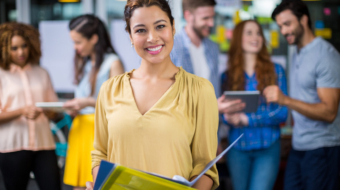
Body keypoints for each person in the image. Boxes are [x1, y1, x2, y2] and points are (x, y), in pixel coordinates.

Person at [86, 0, 219, 190]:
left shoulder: (199, 90)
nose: (152, 38)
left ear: (173, 27)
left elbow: (205, 166)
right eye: (140, 30)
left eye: (160, 26)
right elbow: (100, 153)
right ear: (130, 36)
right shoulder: (109, 89)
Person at [266, 1, 340, 190]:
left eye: (287, 24)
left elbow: (329, 112)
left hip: (322, 147)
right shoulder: (297, 52)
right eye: (280, 26)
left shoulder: (326, 55)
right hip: (299, 146)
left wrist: (285, 100)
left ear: (304, 20)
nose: (283, 31)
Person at [221, 20, 288, 190]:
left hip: (268, 148)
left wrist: (247, 119)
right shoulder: (227, 76)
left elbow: (282, 112)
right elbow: (221, 111)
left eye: (258, 33)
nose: (256, 37)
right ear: (238, 38)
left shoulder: (276, 71)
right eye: (249, 33)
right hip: (238, 148)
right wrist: (228, 117)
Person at [63, 14, 124, 190]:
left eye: (78, 42)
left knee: (98, 184)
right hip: (80, 128)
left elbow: (119, 104)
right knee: (79, 185)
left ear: (94, 38)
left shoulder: (113, 63)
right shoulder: (86, 61)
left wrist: (87, 102)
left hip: (99, 132)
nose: (75, 48)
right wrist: (75, 107)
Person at [0, 22, 61, 190]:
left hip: (44, 144)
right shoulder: (1, 75)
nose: (21, 52)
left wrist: (51, 111)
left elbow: (53, 110)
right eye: (14, 48)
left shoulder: (42, 72)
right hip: (12, 147)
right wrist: (21, 111)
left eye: (24, 46)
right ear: (4, 49)